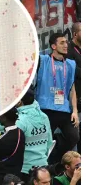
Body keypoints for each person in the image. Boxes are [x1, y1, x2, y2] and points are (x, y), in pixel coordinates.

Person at [35, 33, 79, 164]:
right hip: (45, 110)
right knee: (43, 143)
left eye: (66, 42)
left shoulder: (70, 64)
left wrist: (75, 111)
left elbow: (72, 89)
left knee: (74, 137)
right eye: (62, 43)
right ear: (53, 46)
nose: (66, 45)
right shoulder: (43, 61)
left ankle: (55, 159)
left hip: (64, 109)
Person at [0, 108, 25, 182]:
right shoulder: (21, 133)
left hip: (2, 177)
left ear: (4, 118)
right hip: (16, 175)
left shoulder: (4, 138)